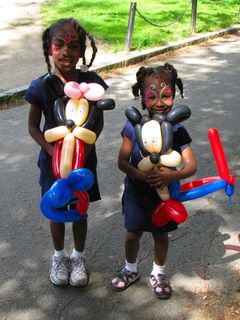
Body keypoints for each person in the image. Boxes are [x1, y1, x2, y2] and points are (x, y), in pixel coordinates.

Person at [26, 18, 108, 287]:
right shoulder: (42, 86)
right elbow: (32, 126)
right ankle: (59, 257)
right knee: (57, 207)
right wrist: (54, 154)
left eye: (74, 46)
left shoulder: (92, 84)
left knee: (80, 209)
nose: (66, 52)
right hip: (53, 163)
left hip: (84, 162)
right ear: (49, 48)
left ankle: (78, 257)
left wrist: (84, 149)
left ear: (82, 51)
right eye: (59, 44)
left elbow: (99, 122)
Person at [111, 63, 197, 299]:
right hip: (136, 194)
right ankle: (130, 269)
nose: (159, 102)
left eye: (166, 95)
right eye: (152, 96)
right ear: (141, 96)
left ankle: (158, 273)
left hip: (165, 197)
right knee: (132, 234)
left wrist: (172, 175)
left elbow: (191, 166)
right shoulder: (132, 125)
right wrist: (141, 175)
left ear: (174, 93)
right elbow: (122, 161)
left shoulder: (177, 129)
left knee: (160, 235)